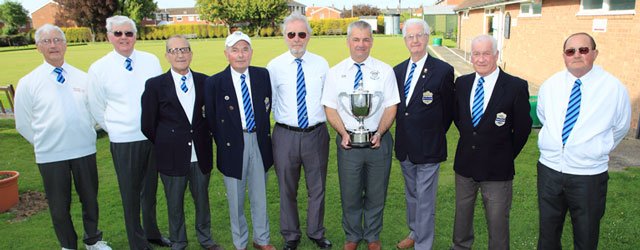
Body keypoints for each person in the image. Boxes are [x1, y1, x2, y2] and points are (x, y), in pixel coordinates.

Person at [14, 24, 111, 250]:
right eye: (47, 41)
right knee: (59, 206)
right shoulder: (29, 82)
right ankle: (68, 245)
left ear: (65, 44)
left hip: (84, 150)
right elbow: (23, 123)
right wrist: (45, 143)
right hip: (51, 155)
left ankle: (93, 240)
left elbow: (95, 113)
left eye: (57, 40)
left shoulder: (83, 77)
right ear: (38, 47)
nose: (53, 45)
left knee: (90, 200)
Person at [536, 32, 631, 250]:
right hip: (550, 171)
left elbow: (621, 127)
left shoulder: (613, 89)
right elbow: (544, 117)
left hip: (588, 176)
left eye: (583, 50)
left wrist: (595, 149)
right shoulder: (550, 85)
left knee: (586, 236)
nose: (577, 55)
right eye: (571, 51)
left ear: (595, 53)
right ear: (564, 56)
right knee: (548, 235)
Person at [87, 15, 170, 250]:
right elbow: (95, 106)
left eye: (129, 33)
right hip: (124, 141)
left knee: (150, 191)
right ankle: (138, 242)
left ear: (135, 36)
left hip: (151, 138)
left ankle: (152, 233)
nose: (124, 38)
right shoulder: (99, 68)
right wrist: (115, 128)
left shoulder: (151, 60)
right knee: (130, 194)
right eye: (118, 33)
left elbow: (159, 96)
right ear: (109, 37)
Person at [321, 20, 399, 250]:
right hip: (348, 143)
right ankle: (353, 236)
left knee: (377, 192)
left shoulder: (385, 71)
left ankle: (373, 235)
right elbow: (330, 107)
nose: (361, 44)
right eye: (356, 39)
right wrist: (343, 133)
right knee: (350, 192)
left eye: (366, 39)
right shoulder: (335, 73)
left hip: (378, 141)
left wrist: (380, 132)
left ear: (372, 42)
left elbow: (391, 106)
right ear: (348, 42)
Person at [141, 35, 223, 250]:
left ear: (191, 53)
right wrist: (168, 141)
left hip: (201, 154)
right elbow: (148, 125)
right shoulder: (155, 85)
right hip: (171, 157)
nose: (180, 54)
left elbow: (212, 117)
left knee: (202, 201)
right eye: (174, 50)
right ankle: (179, 241)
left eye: (184, 49)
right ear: (167, 55)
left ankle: (206, 239)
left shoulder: (206, 81)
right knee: (174, 203)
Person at [451, 34, 532, 250]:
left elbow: (523, 129)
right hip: (465, 166)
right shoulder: (462, 83)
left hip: (498, 170)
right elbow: (461, 120)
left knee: (497, 224)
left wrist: (503, 152)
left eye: (486, 53)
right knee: (461, 221)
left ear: (496, 55)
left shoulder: (515, 86)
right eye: (476, 54)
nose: (481, 59)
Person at [204, 31, 275, 250]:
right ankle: (240, 243)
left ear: (251, 52)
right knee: (235, 200)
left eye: (245, 49)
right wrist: (227, 142)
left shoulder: (262, 75)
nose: (240, 55)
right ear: (227, 54)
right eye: (235, 50)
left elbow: (266, 106)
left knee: (260, 195)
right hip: (232, 145)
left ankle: (261, 240)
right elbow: (212, 120)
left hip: (258, 141)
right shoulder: (215, 82)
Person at [266, 13, 332, 250]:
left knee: (318, 188)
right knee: (287, 188)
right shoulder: (273, 66)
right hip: (285, 135)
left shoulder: (322, 63)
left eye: (301, 34)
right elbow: (268, 102)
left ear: (309, 37)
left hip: (316, 133)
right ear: (284, 36)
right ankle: (291, 235)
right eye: (291, 34)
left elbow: (329, 100)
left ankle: (316, 232)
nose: (296, 39)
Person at [393, 18, 455, 250]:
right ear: (405, 41)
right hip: (405, 146)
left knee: (425, 198)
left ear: (427, 37)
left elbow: (449, 111)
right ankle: (414, 231)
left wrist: (433, 133)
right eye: (411, 36)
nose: (415, 40)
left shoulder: (443, 70)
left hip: (430, 146)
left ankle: (423, 244)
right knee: (411, 194)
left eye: (420, 35)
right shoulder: (398, 71)